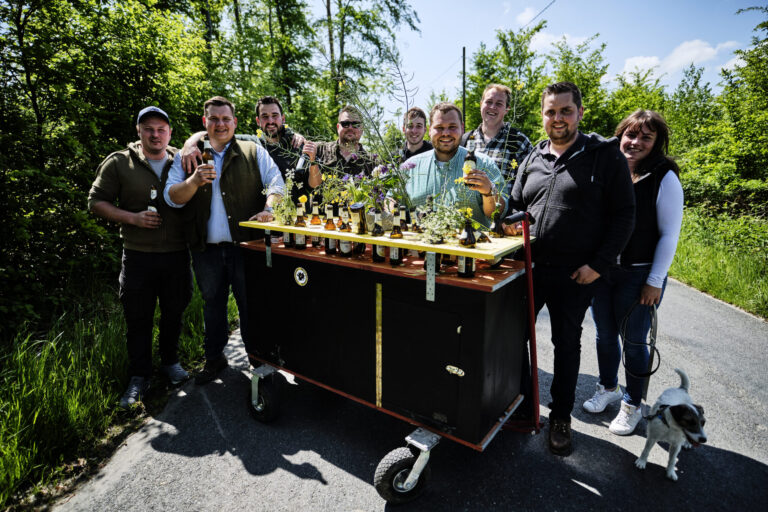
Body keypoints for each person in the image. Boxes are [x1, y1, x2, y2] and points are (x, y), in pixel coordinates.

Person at [506, 82, 636, 456]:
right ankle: (522, 404)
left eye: (565, 110)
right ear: (542, 115)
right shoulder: (533, 157)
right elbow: (515, 204)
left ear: (580, 112)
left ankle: (561, 417)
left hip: (575, 274)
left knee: (565, 344)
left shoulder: (603, 157)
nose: (557, 118)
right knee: (510, 336)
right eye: (551, 111)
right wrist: (510, 223)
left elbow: (625, 215)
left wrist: (598, 264)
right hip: (528, 269)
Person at [164, 96, 284, 384]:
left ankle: (258, 361)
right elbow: (172, 197)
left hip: (246, 246)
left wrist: (269, 209)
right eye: (214, 119)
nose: (220, 124)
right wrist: (194, 180)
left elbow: (277, 182)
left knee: (250, 305)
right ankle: (214, 359)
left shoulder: (252, 151)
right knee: (212, 305)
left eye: (226, 119)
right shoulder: (189, 156)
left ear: (235, 123)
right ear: (205, 123)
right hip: (206, 249)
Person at [582, 110, 684, 435]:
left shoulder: (664, 177)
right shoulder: (607, 169)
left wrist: (655, 281)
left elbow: (670, 234)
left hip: (640, 276)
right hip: (603, 271)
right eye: (631, 134)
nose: (636, 142)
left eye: (646, 137)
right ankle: (607, 388)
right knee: (604, 335)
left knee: (636, 342)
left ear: (656, 143)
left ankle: (632, 404)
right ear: (620, 135)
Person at [89, 106, 192, 408]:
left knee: (174, 311)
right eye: (148, 128)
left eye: (161, 129)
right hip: (137, 256)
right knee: (138, 318)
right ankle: (139, 376)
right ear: (139, 131)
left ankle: (171, 364)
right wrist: (132, 219)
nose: (155, 134)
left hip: (176, 254)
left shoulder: (183, 160)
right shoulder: (120, 163)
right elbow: (96, 202)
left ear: (170, 132)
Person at [179, 96, 320, 201]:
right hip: (265, 220)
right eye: (265, 116)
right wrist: (190, 143)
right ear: (258, 121)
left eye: (274, 116)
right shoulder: (252, 144)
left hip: (299, 218)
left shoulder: (298, 144)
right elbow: (218, 132)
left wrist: (313, 161)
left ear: (283, 119)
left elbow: (314, 184)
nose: (270, 121)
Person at [402, 102, 506, 226]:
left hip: (470, 243)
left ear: (462, 128)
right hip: (422, 243)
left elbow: (499, 213)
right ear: (429, 130)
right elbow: (392, 199)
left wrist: (489, 192)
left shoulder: (484, 164)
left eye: (452, 127)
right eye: (439, 128)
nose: (446, 133)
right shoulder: (410, 167)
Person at [461, 84, 532, 195]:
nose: (492, 107)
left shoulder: (518, 141)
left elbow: (530, 183)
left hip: (504, 211)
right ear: (481, 104)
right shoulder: (466, 140)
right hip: (469, 211)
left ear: (507, 109)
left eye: (499, 104)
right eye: (488, 102)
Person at [314, 105, 376, 176]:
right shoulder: (319, 150)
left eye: (355, 124)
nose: (350, 128)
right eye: (345, 124)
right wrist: (298, 137)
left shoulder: (371, 162)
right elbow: (303, 146)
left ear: (362, 129)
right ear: (338, 127)